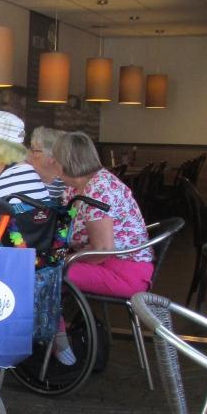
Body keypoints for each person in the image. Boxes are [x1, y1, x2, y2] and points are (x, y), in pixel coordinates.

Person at [52, 131, 151, 365]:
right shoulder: (78, 186)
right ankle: (48, 335)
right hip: (112, 262)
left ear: (66, 161)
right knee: (44, 266)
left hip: (125, 270)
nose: (51, 161)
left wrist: (67, 257)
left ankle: (59, 343)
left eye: (54, 157)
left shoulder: (98, 189)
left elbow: (102, 249)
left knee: (46, 275)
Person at [27, 126, 67, 201]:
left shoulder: (68, 184)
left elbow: (72, 212)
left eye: (33, 150)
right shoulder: (24, 176)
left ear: (52, 157)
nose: (28, 153)